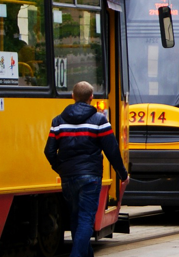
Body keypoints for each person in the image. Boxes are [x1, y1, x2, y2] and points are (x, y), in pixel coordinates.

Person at [44, 81, 129, 257]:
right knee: (85, 219)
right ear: (91, 98)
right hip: (90, 177)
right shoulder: (99, 120)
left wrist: (60, 168)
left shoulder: (58, 121)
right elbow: (112, 150)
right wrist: (123, 174)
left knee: (76, 218)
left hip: (68, 178)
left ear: (72, 97)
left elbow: (49, 151)